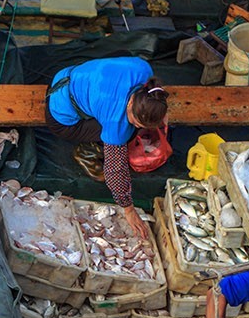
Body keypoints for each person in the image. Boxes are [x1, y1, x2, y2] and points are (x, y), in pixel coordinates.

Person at [45, 56, 167, 238]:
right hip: (59, 115)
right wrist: (129, 209)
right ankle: (87, 152)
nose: (138, 125)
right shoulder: (115, 119)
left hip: (67, 75)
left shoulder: (143, 70)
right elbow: (114, 171)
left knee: (128, 129)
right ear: (132, 103)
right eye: (136, 121)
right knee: (129, 134)